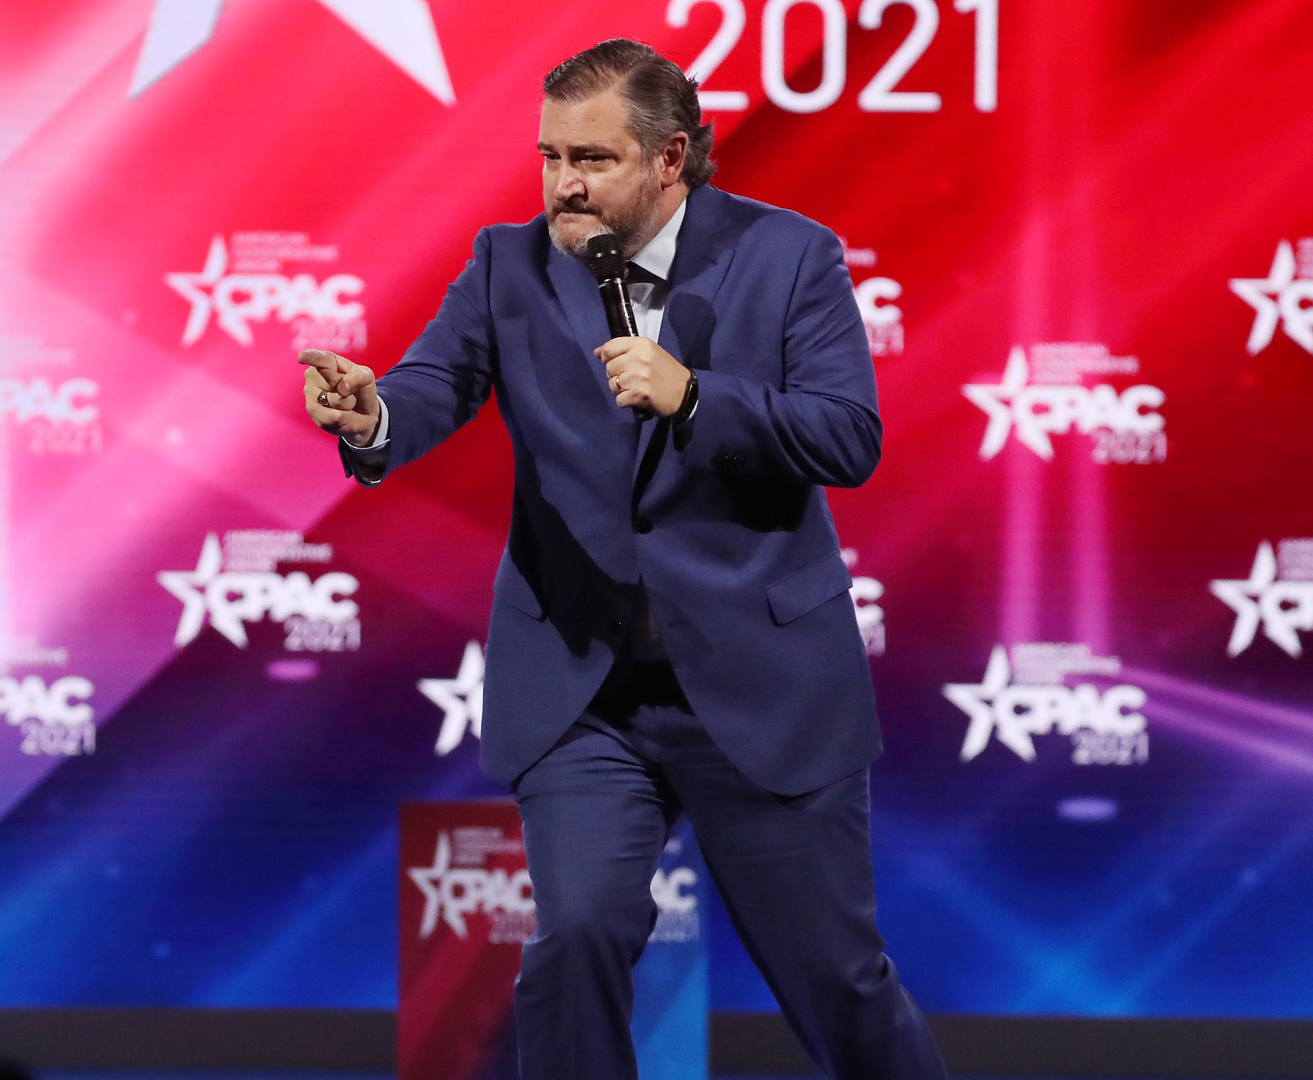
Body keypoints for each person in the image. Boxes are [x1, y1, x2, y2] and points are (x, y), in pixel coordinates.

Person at [298, 37, 946, 1080]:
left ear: (670, 158)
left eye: (591, 160)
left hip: (763, 689)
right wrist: (373, 412)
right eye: (552, 157)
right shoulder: (508, 263)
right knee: (578, 940)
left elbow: (847, 437)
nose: (565, 184)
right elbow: (435, 384)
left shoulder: (790, 256)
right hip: (583, 693)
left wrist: (695, 394)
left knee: (840, 983)